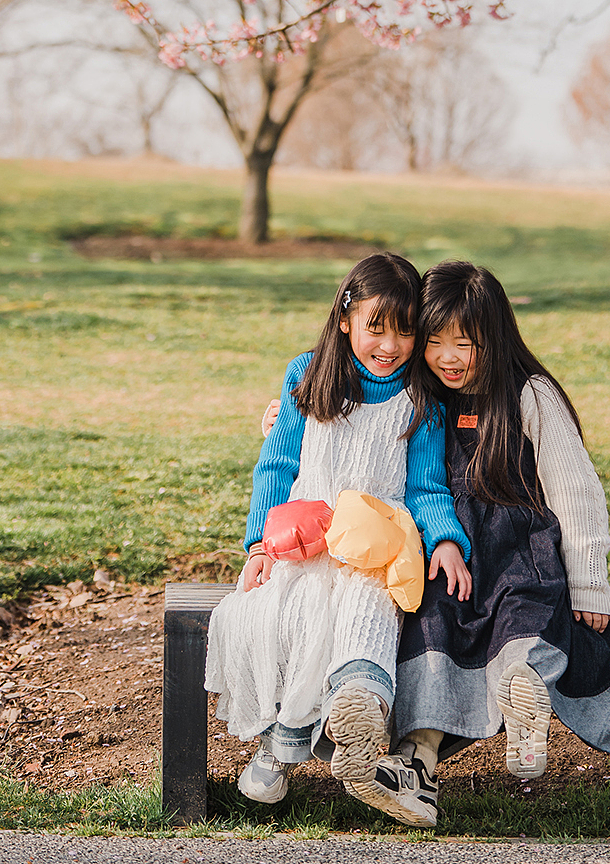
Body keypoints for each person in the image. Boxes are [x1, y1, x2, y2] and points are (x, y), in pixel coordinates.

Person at [347, 260, 610, 829]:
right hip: (448, 554)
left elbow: (575, 490)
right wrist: (285, 416)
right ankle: (418, 763)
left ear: (496, 336)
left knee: (524, 617)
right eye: (433, 341)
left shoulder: (530, 395)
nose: (448, 357)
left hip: (519, 548)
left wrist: (589, 580)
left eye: (465, 342)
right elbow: (353, 421)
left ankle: (523, 698)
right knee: (432, 626)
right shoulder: (419, 399)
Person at [205, 251, 472, 807]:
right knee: (290, 610)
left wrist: (445, 538)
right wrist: (259, 545)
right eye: (375, 328)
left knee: (367, 611)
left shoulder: (421, 397)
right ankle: (278, 748)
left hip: (376, 543)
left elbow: (427, 487)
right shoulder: (308, 374)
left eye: (404, 332)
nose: (390, 347)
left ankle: (359, 708)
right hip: (304, 537)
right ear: (346, 318)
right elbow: (276, 466)